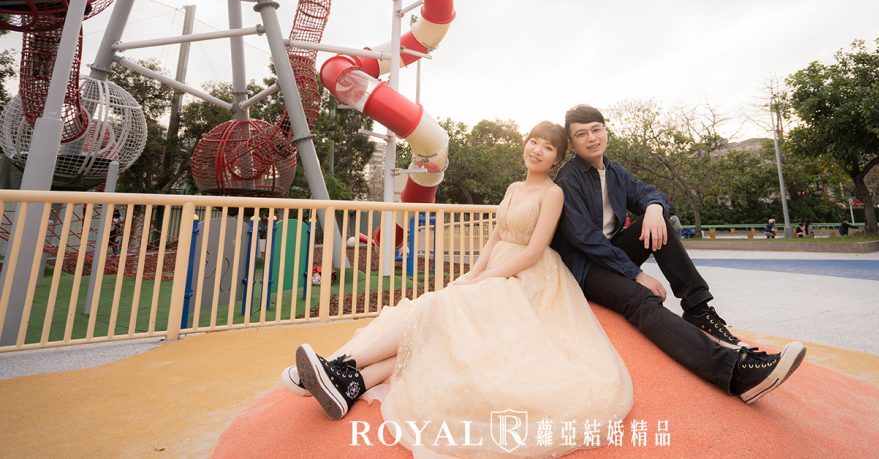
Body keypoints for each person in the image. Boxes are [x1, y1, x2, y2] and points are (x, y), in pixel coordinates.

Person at [286, 122, 632, 455]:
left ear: (557, 158)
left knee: (436, 312)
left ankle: (341, 364)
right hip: (495, 269)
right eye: (534, 141)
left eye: (548, 147)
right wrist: (472, 274)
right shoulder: (514, 188)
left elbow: (533, 251)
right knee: (435, 326)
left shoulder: (553, 193)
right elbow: (495, 237)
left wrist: (487, 278)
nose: (538, 150)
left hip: (527, 277)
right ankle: (351, 383)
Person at [552, 104, 806, 404]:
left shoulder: (614, 171)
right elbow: (586, 240)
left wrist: (654, 208)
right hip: (585, 268)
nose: (592, 138)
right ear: (572, 144)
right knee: (640, 299)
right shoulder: (568, 179)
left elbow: (649, 193)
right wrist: (636, 274)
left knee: (661, 220)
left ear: (605, 131)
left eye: (596, 130)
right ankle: (735, 374)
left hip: (612, 253)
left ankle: (698, 309)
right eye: (582, 134)